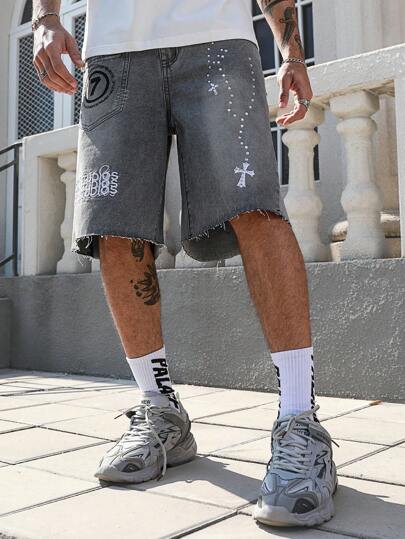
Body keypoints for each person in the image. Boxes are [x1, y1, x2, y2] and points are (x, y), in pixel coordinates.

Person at [32, 0, 338, 528]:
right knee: (114, 228)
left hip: (218, 39)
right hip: (113, 52)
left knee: (257, 210)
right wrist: (45, 18)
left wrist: (290, 50)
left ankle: (300, 421)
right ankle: (160, 410)